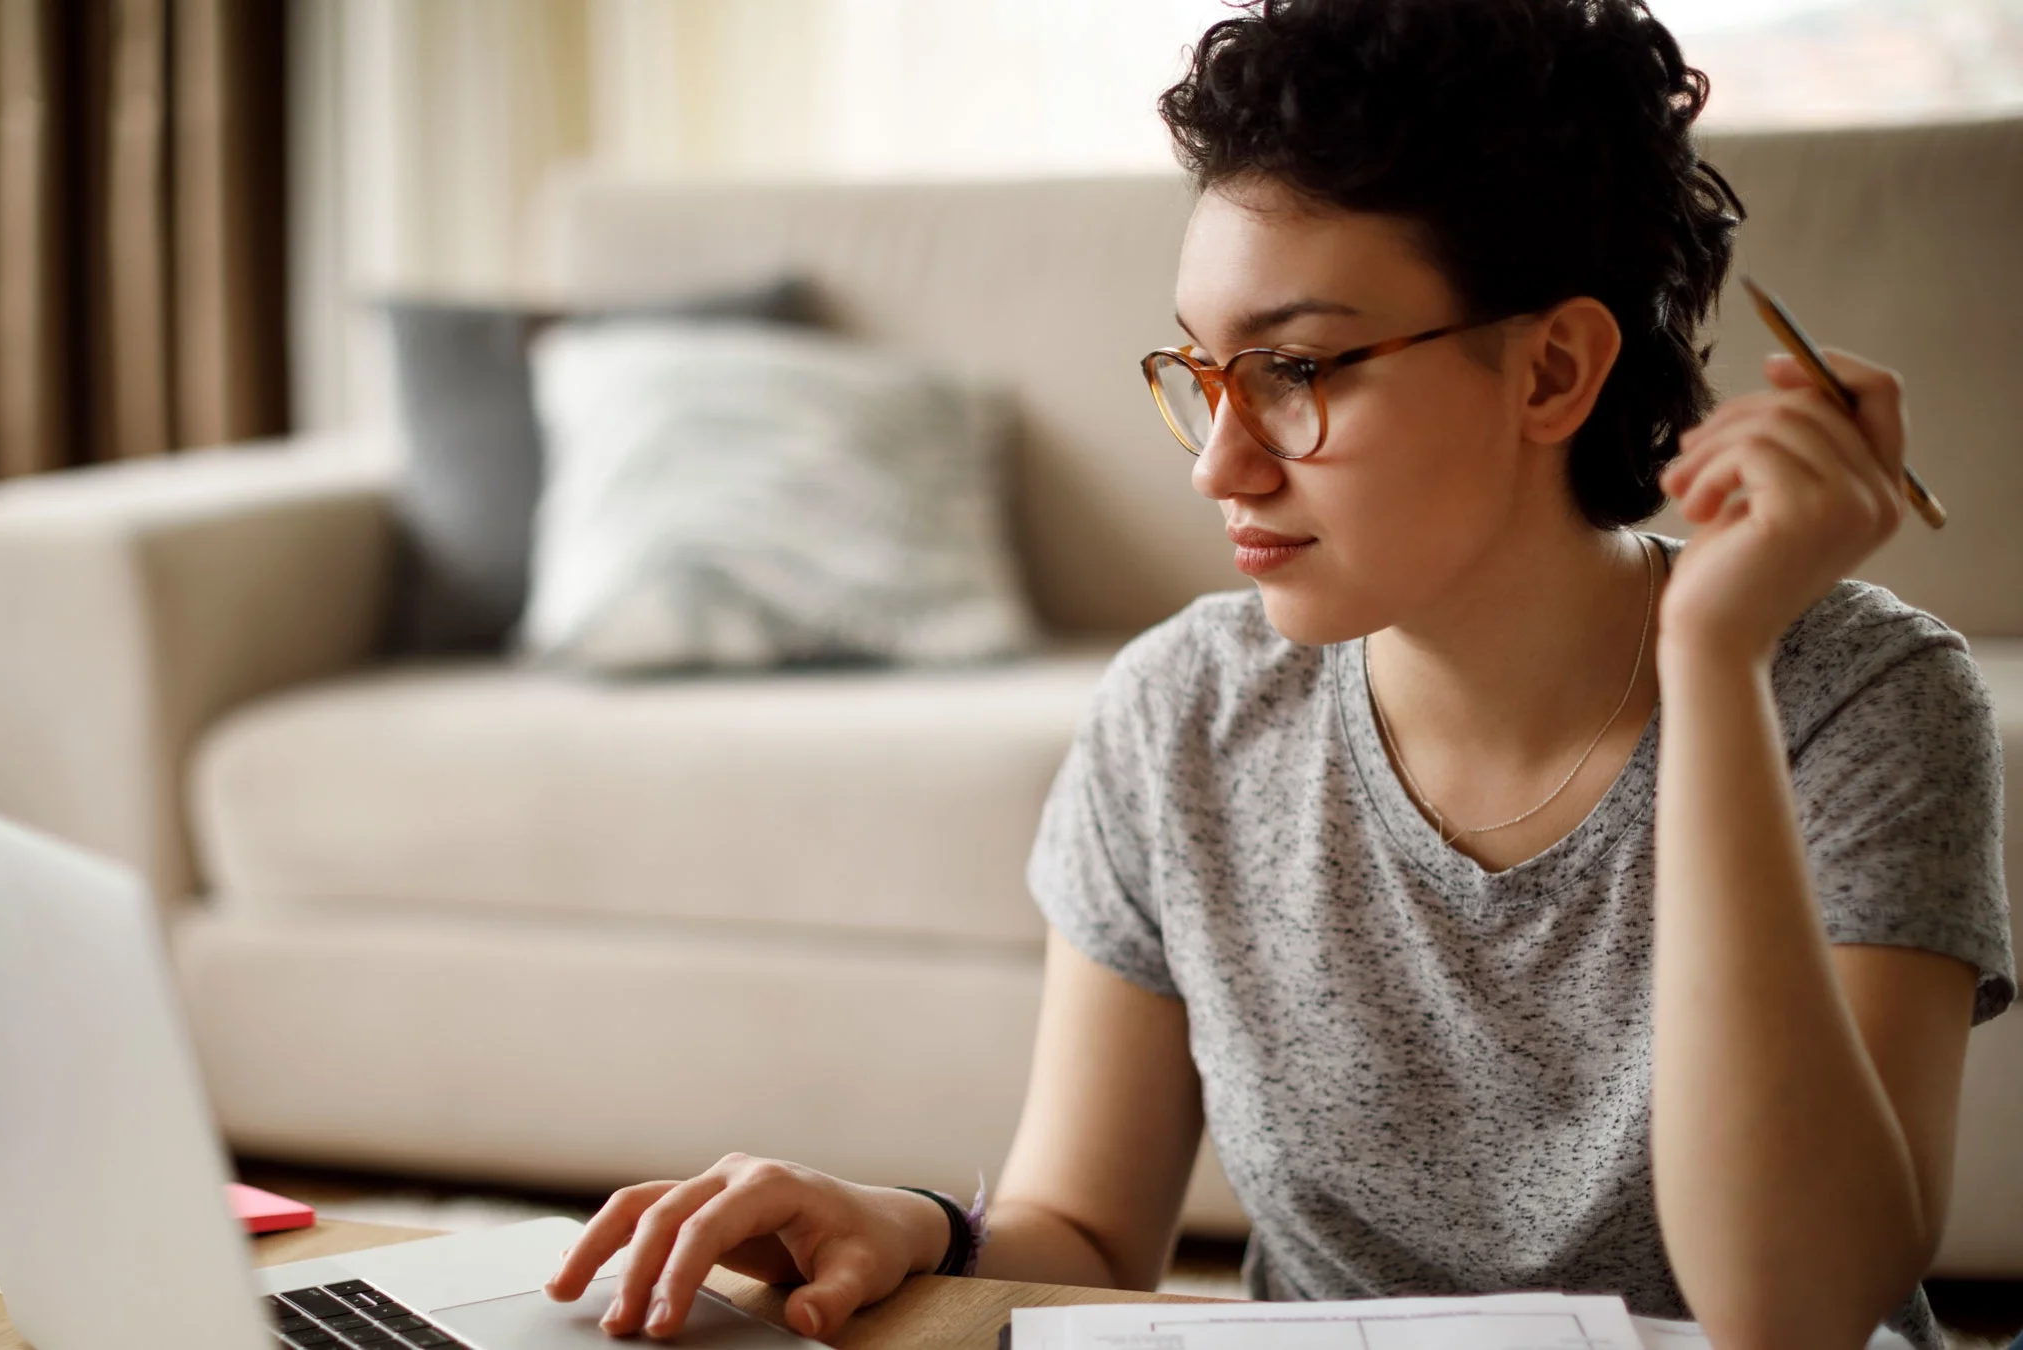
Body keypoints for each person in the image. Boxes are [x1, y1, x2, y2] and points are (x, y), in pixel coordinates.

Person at [540, 1, 2017, 1346]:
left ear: (1556, 373)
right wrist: (914, 1222)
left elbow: (1799, 1312)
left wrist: (1712, 659)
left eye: (1301, 369)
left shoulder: (1863, 703)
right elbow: (1092, 1235)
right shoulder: (1181, 710)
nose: (1221, 463)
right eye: (1203, 369)